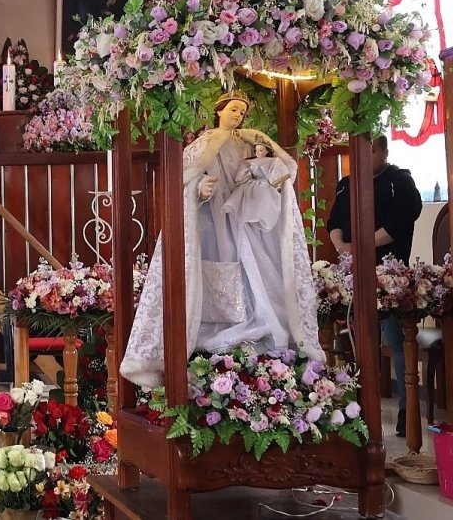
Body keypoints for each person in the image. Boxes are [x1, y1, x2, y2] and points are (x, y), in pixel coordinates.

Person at [120, 89, 323, 387]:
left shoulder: (249, 142)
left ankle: (256, 341)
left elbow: (268, 169)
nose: (237, 115)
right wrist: (200, 186)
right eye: (232, 109)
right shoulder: (205, 143)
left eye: (241, 111)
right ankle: (210, 344)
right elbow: (183, 180)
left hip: (244, 218)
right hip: (212, 218)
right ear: (219, 111)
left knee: (256, 275)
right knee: (215, 275)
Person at [327, 134, 422, 436]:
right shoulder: (347, 183)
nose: (363, 160)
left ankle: (408, 414)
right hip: (353, 276)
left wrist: (362, 246)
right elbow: (334, 222)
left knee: (396, 342)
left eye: (370, 153)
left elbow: (399, 224)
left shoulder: (400, 182)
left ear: (383, 151)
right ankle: (358, 412)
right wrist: (342, 245)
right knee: (359, 345)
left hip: (389, 277)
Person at [222, 142, 294, 232]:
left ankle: (262, 216)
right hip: (252, 184)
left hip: (266, 185)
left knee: (265, 201)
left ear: (267, 151)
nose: (258, 153)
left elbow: (279, 174)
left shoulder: (274, 161)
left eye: (261, 150)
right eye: (256, 151)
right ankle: (250, 214)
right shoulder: (250, 162)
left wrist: (274, 183)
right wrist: (246, 177)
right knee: (248, 198)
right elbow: (243, 173)